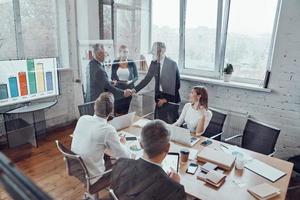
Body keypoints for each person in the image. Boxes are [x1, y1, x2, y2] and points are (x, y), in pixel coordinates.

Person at [111, 120, 186, 200]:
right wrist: (175, 184)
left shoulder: (120, 164)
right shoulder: (175, 189)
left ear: (140, 144)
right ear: (167, 148)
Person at [71, 92, 130, 184]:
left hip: (76, 167)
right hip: (93, 175)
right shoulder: (108, 130)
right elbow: (125, 156)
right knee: (124, 164)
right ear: (111, 112)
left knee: (109, 156)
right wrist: (123, 143)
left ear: (95, 107)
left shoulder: (83, 118)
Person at [133, 42, 181, 124]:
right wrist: (134, 90)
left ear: (162, 50)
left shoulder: (172, 64)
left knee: (169, 126)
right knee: (157, 125)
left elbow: (177, 84)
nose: (153, 53)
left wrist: (166, 100)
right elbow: (146, 79)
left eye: (155, 50)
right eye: (153, 51)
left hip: (170, 100)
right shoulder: (154, 63)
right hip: (159, 98)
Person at [111, 45, 138, 116]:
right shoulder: (115, 62)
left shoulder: (131, 62)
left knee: (125, 112)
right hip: (118, 91)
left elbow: (136, 76)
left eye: (127, 52)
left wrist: (131, 81)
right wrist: (114, 81)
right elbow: (112, 77)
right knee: (117, 112)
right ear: (120, 52)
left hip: (128, 90)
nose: (126, 54)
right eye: (124, 52)